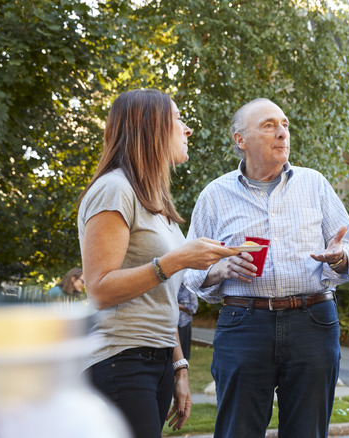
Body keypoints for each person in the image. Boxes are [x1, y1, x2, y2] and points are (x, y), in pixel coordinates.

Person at [183, 97, 349, 438]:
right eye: (269, 125)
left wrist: (339, 257)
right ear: (241, 140)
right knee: (238, 431)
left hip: (313, 321)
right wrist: (221, 269)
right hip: (243, 324)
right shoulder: (215, 195)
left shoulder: (315, 184)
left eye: (284, 125)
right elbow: (189, 273)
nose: (282, 132)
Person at [77, 89, 240, 438]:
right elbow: (99, 289)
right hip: (120, 358)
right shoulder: (114, 189)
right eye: (178, 119)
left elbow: (161, 300)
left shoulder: (155, 204)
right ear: (151, 128)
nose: (187, 128)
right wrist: (177, 259)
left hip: (156, 358)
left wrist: (179, 366)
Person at [176, 285, 197, 360]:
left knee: (184, 352)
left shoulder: (190, 290)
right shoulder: (174, 287)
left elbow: (194, 308)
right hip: (172, 323)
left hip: (184, 322)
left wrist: (180, 307)